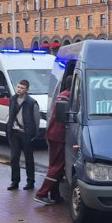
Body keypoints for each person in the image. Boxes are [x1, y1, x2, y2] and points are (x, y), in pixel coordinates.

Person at [35, 75, 72, 205]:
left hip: (52, 133)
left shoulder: (62, 94)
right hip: (59, 135)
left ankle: (54, 194)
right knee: (57, 166)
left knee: (54, 165)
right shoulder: (69, 96)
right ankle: (41, 193)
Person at [6, 79, 40, 191]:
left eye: (22, 88)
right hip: (14, 132)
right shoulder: (13, 99)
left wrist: (34, 134)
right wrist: (9, 129)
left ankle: (30, 182)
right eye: (18, 87)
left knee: (28, 159)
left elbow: (36, 119)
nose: (19, 89)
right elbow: (10, 115)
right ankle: (15, 182)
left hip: (26, 133)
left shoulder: (31, 102)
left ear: (27, 89)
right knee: (14, 158)